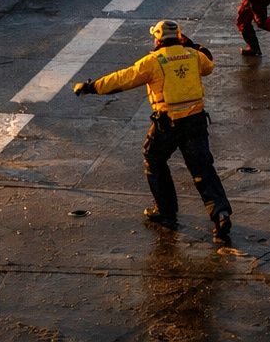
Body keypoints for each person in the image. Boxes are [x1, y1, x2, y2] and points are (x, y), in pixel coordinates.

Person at [74, 20, 233, 242]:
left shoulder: (153, 61)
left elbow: (123, 78)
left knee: (154, 158)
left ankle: (166, 211)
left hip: (168, 124)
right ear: (180, 37)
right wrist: (192, 45)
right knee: (203, 169)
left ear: (157, 39)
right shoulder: (193, 55)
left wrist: (91, 87)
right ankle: (221, 215)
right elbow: (209, 65)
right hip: (196, 122)